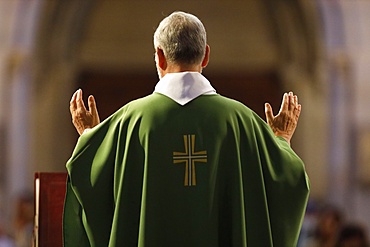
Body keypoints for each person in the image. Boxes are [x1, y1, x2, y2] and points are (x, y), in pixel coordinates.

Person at [63, 11, 310, 247]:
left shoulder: (128, 122)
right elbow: (287, 182)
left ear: (159, 56)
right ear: (205, 56)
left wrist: (92, 139)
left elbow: (92, 183)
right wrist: (281, 140)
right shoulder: (241, 121)